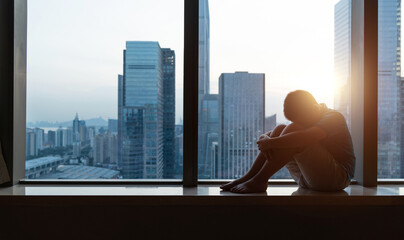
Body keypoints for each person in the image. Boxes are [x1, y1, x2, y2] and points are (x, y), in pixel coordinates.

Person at [220, 90, 355, 193]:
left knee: (294, 131)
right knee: (280, 128)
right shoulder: (313, 115)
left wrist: (270, 143)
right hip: (308, 178)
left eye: (302, 120)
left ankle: (260, 180)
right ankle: (249, 177)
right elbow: (276, 135)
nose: (300, 123)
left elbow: (309, 136)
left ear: (315, 108)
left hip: (337, 178)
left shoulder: (333, 117)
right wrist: (265, 139)